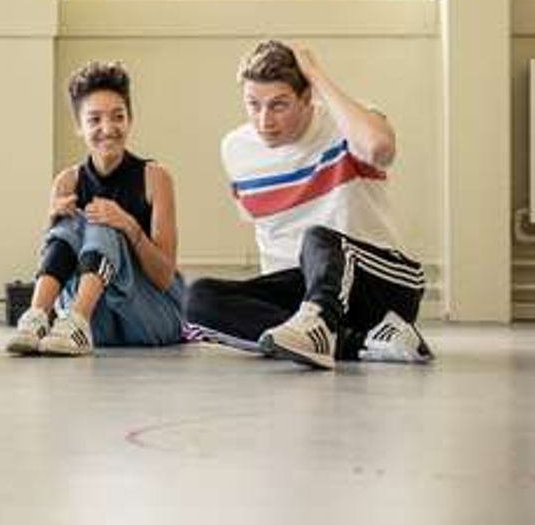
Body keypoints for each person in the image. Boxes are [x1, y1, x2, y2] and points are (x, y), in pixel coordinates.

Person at [184, 41, 431, 370]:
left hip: (379, 281)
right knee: (197, 297)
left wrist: (315, 74)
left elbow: (380, 148)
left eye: (279, 105)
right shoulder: (234, 148)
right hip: (301, 290)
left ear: (307, 97)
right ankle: (359, 343)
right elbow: (260, 224)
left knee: (317, 238)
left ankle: (319, 325)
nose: (264, 120)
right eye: (253, 104)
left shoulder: (346, 125)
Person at [6, 61, 184, 356]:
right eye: (95, 119)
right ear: (79, 126)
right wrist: (53, 222)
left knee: (102, 223)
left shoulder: (156, 177)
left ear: (130, 119)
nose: (108, 128)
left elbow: (164, 277)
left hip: (151, 318)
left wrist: (129, 226)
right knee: (69, 224)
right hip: (98, 322)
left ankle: (76, 322)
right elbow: (55, 258)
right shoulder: (67, 181)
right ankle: (35, 318)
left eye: (118, 117)